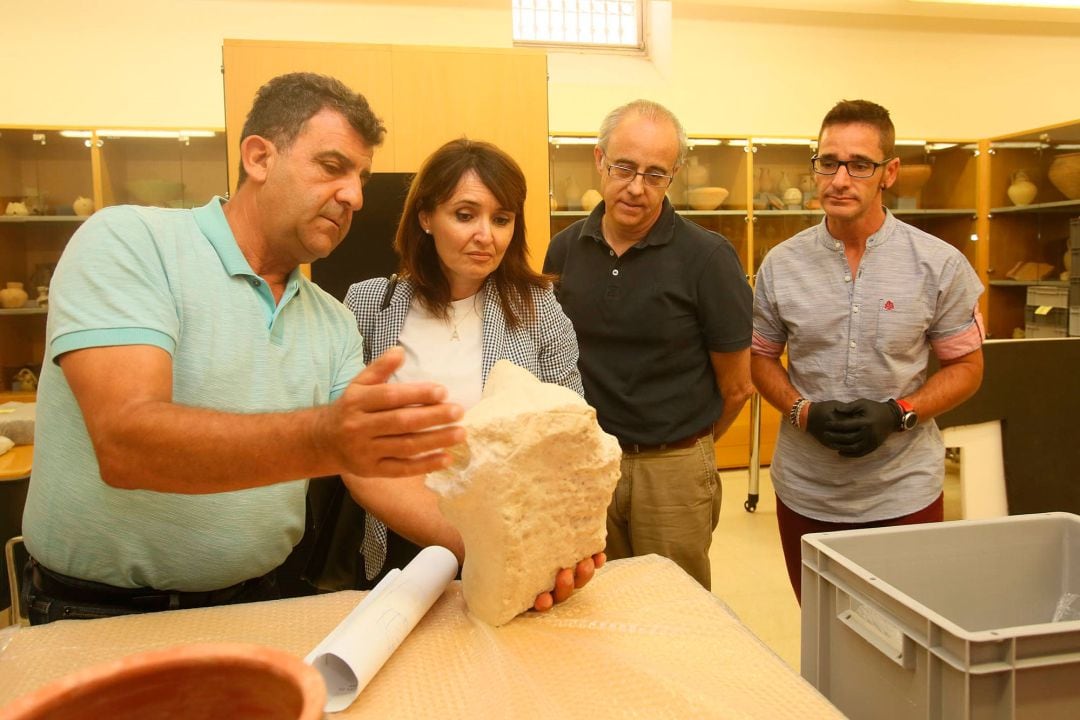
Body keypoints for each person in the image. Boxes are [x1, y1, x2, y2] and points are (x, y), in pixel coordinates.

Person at [18, 73, 579, 624]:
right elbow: (126, 441)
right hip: (96, 613)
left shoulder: (331, 320)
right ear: (260, 158)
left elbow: (375, 472)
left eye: (361, 177)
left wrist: (511, 552)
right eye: (333, 167)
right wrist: (327, 439)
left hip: (263, 604)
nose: (354, 195)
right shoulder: (131, 243)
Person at [323, 138, 599, 612]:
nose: (485, 235)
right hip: (397, 533)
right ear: (426, 218)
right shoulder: (370, 304)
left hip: (508, 535)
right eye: (465, 214)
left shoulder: (539, 309)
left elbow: (571, 439)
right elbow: (349, 435)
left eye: (501, 219)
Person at [750, 99, 985, 602]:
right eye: (827, 162)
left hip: (904, 490)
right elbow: (760, 358)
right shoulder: (781, 264)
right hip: (807, 492)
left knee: (908, 639)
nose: (839, 179)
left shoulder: (938, 265)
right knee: (822, 634)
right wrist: (801, 410)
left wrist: (900, 413)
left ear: (889, 173)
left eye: (859, 165)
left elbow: (967, 367)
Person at [543, 100, 754, 590]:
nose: (636, 187)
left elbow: (737, 386)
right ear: (599, 160)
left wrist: (689, 448)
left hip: (674, 471)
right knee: (597, 605)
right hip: (589, 468)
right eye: (624, 168)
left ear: (674, 175)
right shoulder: (565, 249)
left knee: (675, 613)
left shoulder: (708, 258)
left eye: (655, 174)